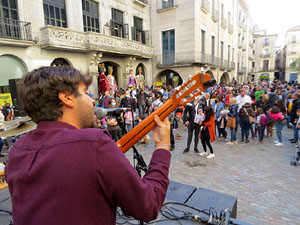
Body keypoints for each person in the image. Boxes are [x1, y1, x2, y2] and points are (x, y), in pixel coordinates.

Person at [5, 66, 171, 225]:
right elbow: (148, 206)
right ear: (67, 97)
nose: (92, 100)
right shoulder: (94, 143)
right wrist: (162, 146)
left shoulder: (18, 149)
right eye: (85, 92)